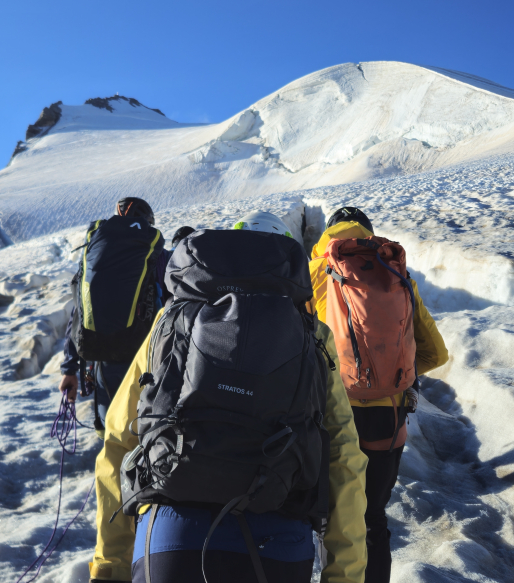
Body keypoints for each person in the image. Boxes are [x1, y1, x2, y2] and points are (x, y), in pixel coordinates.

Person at [88, 211, 368, 583]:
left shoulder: (171, 320)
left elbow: (119, 439)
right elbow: (344, 457)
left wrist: (109, 567)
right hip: (279, 539)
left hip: (170, 536)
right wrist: (345, 575)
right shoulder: (311, 332)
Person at [309, 206, 448, 583]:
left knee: (331, 518)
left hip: (330, 418)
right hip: (388, 419)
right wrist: (393, 377)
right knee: (372, 519)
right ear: (367, 235)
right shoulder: (394, 273)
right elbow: (436, 353)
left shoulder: (314, 275)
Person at [60, 197, 165, 437]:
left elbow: (78, 314)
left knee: (110, 429)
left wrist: (69, 369)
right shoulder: (156, 257)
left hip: (100, 357)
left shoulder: (92, 257)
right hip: (145, 357)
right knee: (144, 427)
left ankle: (111, 468)